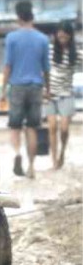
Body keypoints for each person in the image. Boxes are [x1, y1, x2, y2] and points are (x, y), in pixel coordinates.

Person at [0, 0, 50, 178]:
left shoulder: (12, 38)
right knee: (32, 127)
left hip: (17, 87)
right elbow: (46, 69)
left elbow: (7, 66)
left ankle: (17, 154)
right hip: (36, 86)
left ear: (18, 16)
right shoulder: (43, 39)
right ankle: (31, 168)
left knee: (15, 126)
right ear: (32, 15)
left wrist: (2, 90)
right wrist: (48, 89)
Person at [45, 22, 82, 169]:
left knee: (65, 129)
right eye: (59, 33)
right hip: (49, 94)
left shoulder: (76, 54)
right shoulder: (49, 51)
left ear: (70, 35)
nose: (62, 35)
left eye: (65, 33)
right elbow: (42, 69)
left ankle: (62, 153)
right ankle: (54, 159)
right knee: (52, 127)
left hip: (66, 94)